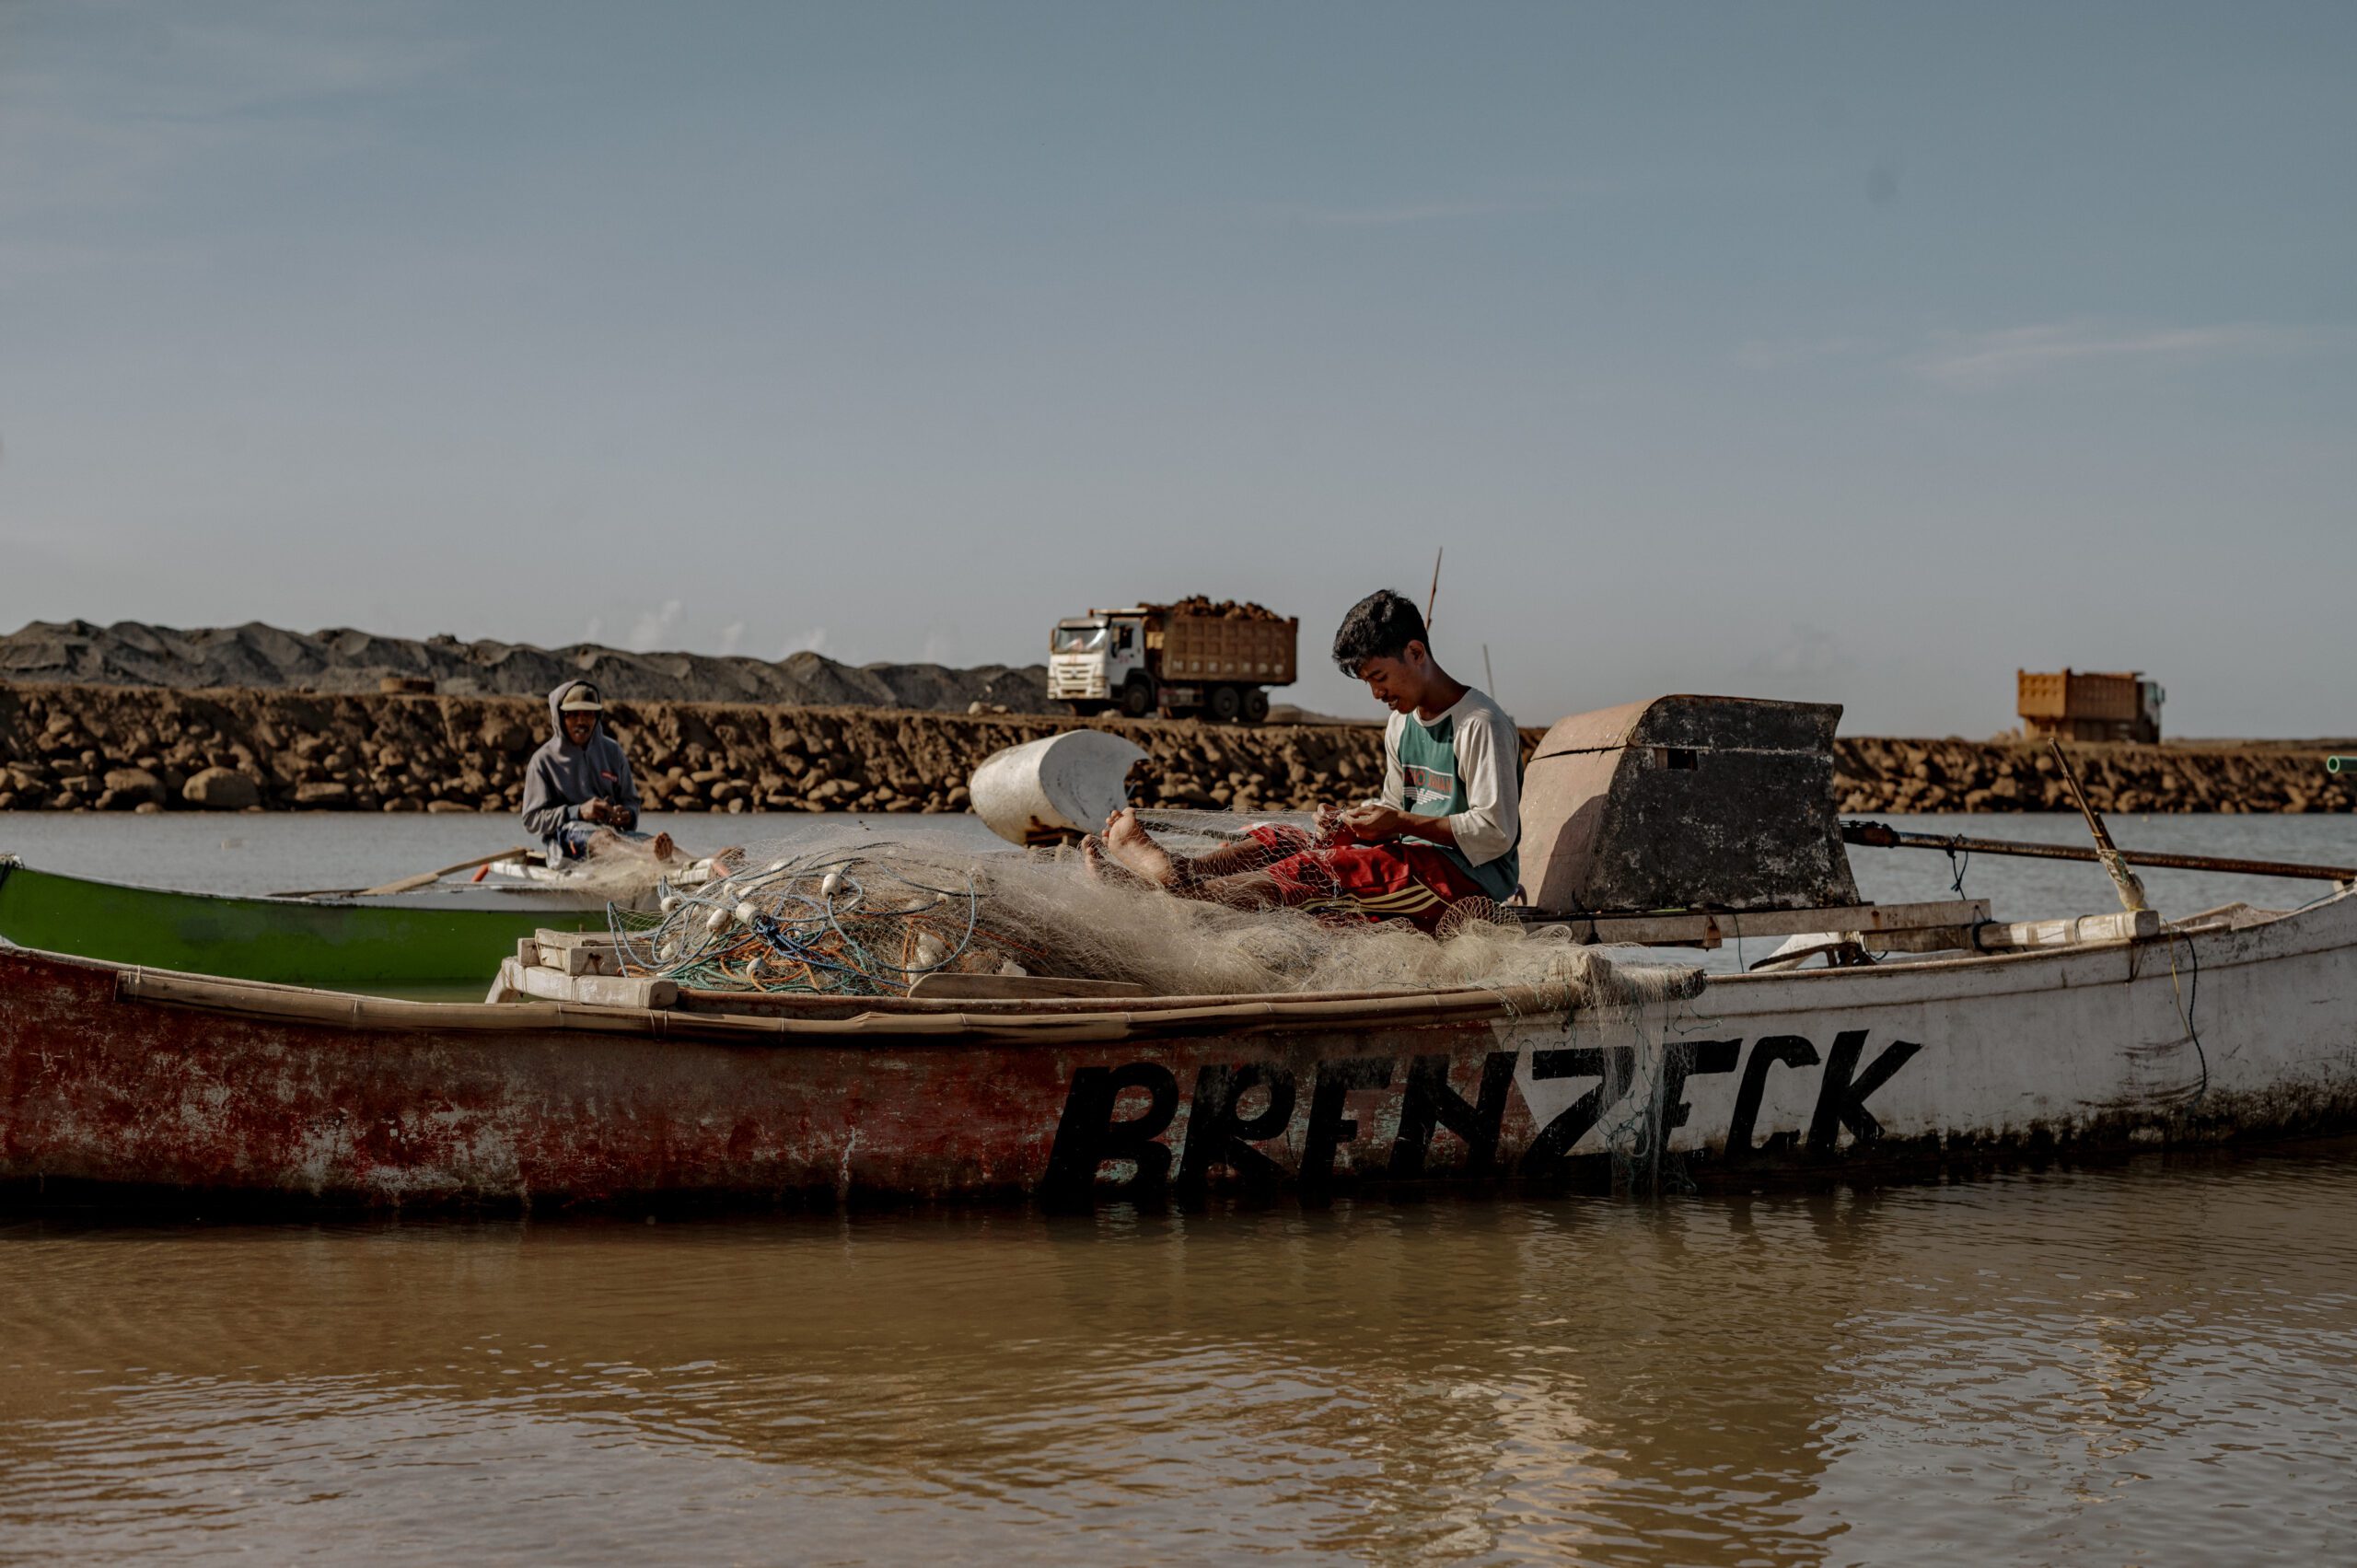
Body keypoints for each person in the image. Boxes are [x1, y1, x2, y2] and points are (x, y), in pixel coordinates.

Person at [1090, 588, 1520, 932]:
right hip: (1408, 856)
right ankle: (1184, 872)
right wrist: (1353, 822)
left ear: (1416, 653)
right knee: (1284, 838)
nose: (1376, 694)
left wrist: (1400, 825)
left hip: (1464, 883)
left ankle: (1182, 888)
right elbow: (1394, 809)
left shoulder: (1479, 723)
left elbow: (1497, 832)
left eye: (1379, 677)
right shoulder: (1401, 725)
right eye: (1367, 682)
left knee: (1325, 868)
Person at [520, 680, 674, 865]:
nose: (581, 721)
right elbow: (531, 819)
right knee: (604, 838)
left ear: (597, 716)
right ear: (561, 717)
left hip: (617, 836)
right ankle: (653, 861)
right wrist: (578, 812)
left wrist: (627, 815)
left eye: (588, 714)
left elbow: (630, 801)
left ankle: (704, 866)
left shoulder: (612, 751)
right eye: (573, 714)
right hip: (567, 843)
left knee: (654, 842)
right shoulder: (543, 760)